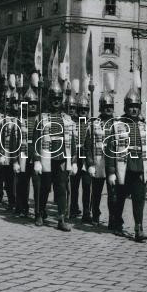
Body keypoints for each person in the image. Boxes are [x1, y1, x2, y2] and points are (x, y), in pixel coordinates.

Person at [105, 84, 147, 242]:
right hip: (123, 167)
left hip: (139, 167)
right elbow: (111, 149)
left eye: (136, 106)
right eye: (131, 106)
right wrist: (112, 171)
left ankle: (138, 227)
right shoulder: (117, 125)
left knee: (139, 199)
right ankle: (117, 222)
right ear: (126, 107)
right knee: (119, 198)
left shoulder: (143, 126)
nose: (134, 110)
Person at [33, 79, 77, 231]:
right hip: (46, 157)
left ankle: (61, 218)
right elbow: (36, 140)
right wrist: (37, 159)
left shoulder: (68, 119)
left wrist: (74, 161)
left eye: (59, 99)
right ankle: (39, 213)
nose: (56, 102)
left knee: (61, 189)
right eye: (53, 99)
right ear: (49, 100)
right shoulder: (41, 118)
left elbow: (72, 141)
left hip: (61, 159)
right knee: (43, 188)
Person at [85, 90, 115, 226]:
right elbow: (88, 145)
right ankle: (95, 215)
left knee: (112, 193)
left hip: (112, 163)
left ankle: (112, 218)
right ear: (101, 108)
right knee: (96, 193)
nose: (108, 109)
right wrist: (90, 163)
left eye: (110, 107)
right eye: (105, 107)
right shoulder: (93, 124)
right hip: (98, 162)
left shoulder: (118, 124)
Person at [14, 86, 40, 219]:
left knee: (37, 184)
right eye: (30, 104)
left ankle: (38, 211)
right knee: (22, 183)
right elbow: (15, 141)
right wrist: (14, 160)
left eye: (35, 104)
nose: (32, 107)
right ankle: (22, 207)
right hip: (23, 153)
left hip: (36, 153)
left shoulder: (40, 119)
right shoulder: (20, 120)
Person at [70, 94, 92, 222]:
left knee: (87, 186)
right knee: (74, 186)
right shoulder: (73, 124)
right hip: (76, 157)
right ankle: (73, 208)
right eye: (81, 109)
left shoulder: (91, 124)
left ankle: (86, 212)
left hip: (86, 157)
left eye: (85, 109)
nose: (83, 112)